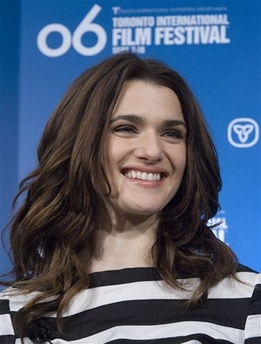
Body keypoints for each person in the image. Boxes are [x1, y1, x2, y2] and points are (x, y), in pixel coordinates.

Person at [0, 52, 260, 344]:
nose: (152, 151)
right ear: (79, 143)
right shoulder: (17, 313)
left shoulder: (247, 300)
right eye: (126, 128)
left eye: (172, 133)